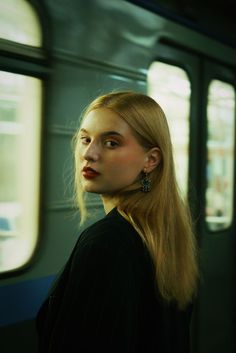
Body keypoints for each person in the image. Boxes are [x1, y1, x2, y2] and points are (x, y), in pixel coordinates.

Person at [36, 91, 199, 353]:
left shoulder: (106, 243)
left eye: (111, 143)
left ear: (151, 160)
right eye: (85, 139)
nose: (89, 153)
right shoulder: (162, 235)